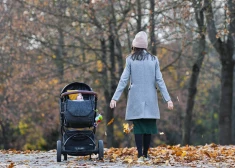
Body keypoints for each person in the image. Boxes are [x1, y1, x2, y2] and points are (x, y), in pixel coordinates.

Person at [110, 31, 174, 162]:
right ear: (145, 46)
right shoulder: (154, 59)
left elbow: (123, 80)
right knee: (149, 126)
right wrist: (168, 99)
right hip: (150, 98)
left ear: (134, 46)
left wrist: (115, 98)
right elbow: (160, 80)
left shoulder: (130, 60)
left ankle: (140, 155)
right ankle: (146, 154)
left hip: (136, 98)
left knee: (138, 127)